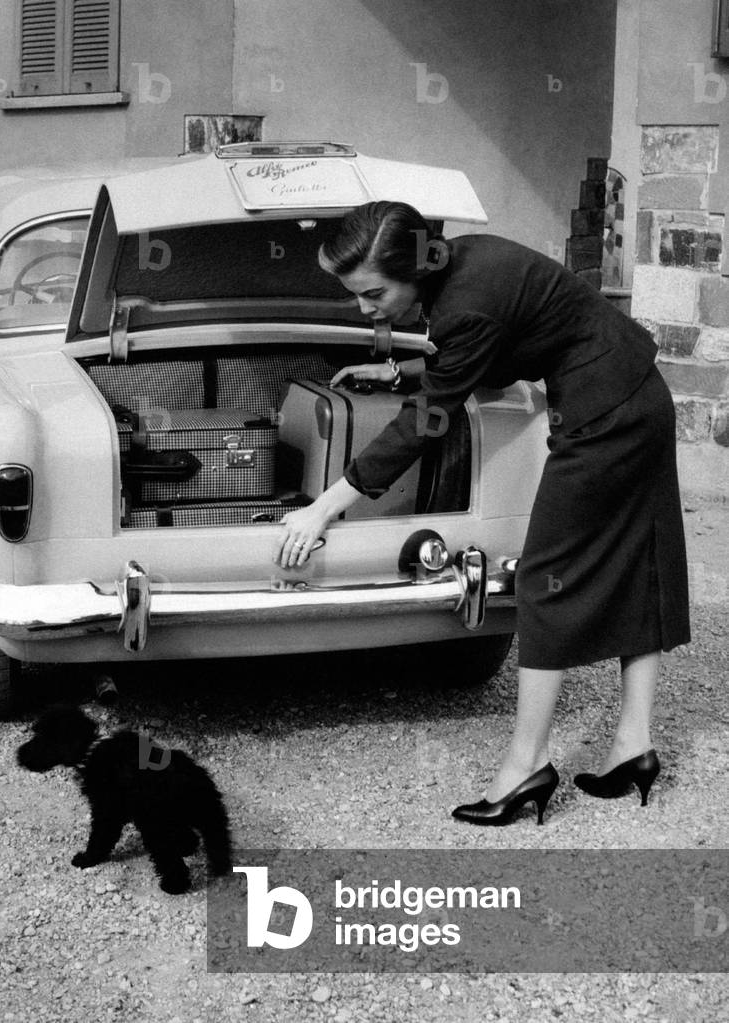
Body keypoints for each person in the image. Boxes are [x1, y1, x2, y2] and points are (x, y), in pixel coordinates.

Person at [274, 201, 690, 825]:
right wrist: (400, 368)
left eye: (373, 293)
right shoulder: (469, 260)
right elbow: (481, 355)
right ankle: (634, 745)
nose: (364, 308)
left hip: (605, 415)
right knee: (641, 556)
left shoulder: (464, 302)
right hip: (636, 393)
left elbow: (429, 418)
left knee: (546, 577)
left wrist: (326, 506)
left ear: (415, 267)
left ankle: (525, 768)